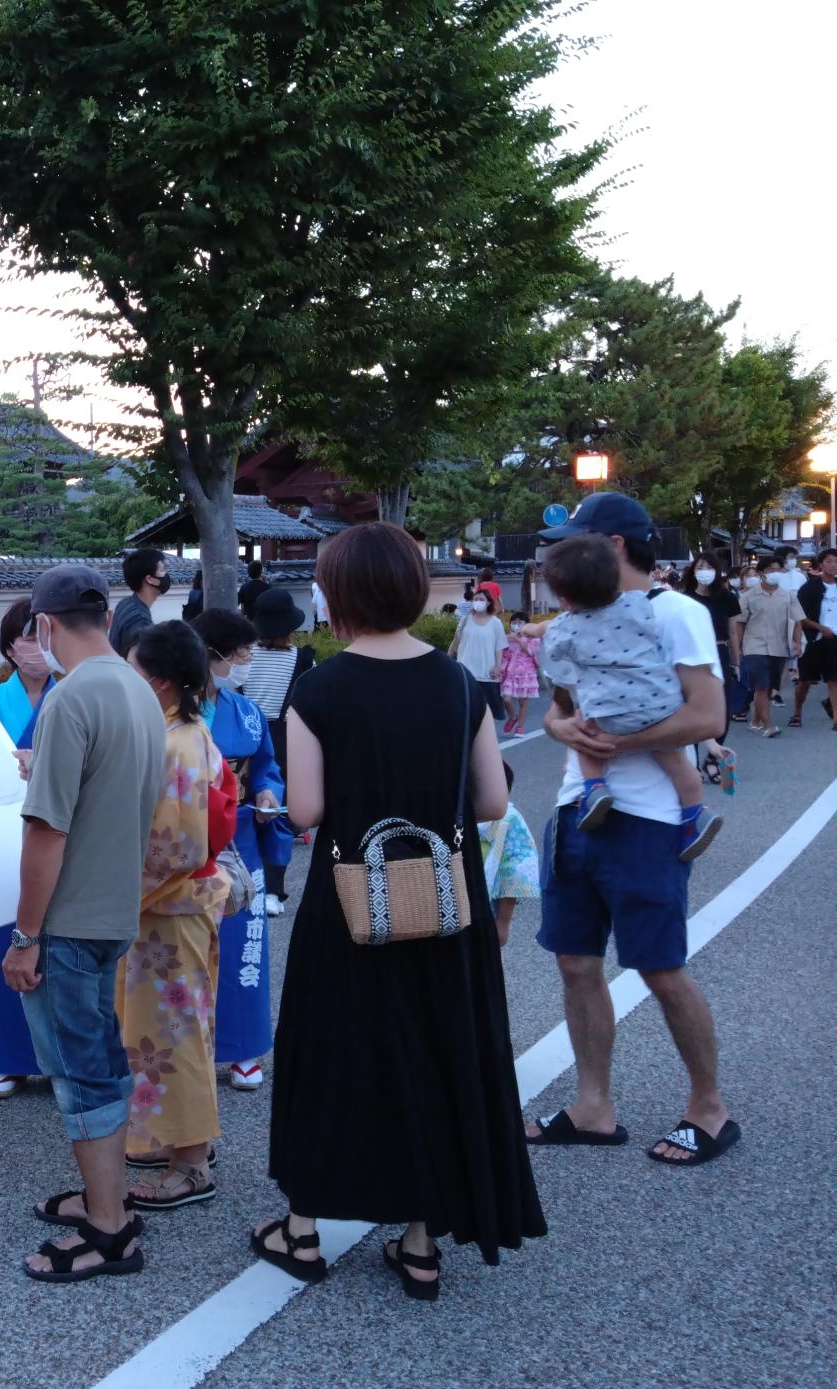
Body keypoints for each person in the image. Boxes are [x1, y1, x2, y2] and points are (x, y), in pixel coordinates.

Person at [255, 522, 542, 1299]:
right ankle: (420, 1242)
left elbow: (308, 811)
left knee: (334, 1054)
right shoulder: (457, 685)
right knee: (436, 1051)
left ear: (339, 593)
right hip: (446, 904)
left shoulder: (318, 689)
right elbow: (491, 801)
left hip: (350, 904)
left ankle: (304, 1227)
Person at [527, 493, 739, 1167]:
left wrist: (622, 742)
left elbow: (708, 717)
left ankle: (709, 1108)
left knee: (660, 968)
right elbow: (559, 711)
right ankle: (594, 1107)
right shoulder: (575, 616)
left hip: (646, 819)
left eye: (576, 541)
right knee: (576, 962)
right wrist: (563, 728)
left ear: (613, 545)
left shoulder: (677, 612)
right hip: (576, 808)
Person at [3, 564, 164, 1283]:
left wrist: (24, 936)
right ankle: (107, 1196)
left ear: (44, 624)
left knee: (80, 1072)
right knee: (98, 1054)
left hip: (66, 918)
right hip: (114, 908)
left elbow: (47, 833)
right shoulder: (136, 687)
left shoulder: (70, 699)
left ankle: (109, 1230)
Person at [116, 621, 233, 1211]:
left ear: (158, 681)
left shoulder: (173, 744)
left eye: (133, 669)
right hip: (171, 907)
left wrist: (109, 892)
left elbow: (172, 850)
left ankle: (191, 1163)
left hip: (166, 905)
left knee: (175, 1034)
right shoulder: (185, 731)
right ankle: (174, 1142)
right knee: (162, 1031)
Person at [538, 534, 722, 861]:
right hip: (658, 705)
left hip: (609, 716)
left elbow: (709, 718)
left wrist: (535, 633)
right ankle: (696, 813)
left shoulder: (565, 629)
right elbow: (556, 715)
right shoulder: (642, 605)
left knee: (588, 740)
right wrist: (555, 726)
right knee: (678, 764)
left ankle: (594, 791)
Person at [189, 607, 285, 1091]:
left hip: (240, 838)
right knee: (179, 949)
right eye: (242, 653)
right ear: (213, 655)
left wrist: (269, 792)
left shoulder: (245, 711)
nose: (247, 661)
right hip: (182, 842)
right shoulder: (167, 709)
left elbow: (267, 765)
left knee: (243, 947)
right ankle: (186, 1047)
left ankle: (242, 1048)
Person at [0, 599, 51, 1098]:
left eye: (40, 637)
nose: (35, 650)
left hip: (58, 828)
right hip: (4, 831)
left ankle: (62, 1056)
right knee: (6, 937)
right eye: (25, 640)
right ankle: (9, 1059)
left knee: (63, 944)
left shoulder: (74, 695)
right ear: (9, 648)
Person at [241, 589, 312, 915]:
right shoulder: (303, 659)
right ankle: (274, 890)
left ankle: (241, 883)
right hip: (284, 739)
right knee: (277, 814)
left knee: (242, 812)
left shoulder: (243, 657)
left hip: (244, 737)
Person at [734, 555, 803, 738]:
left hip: (780, 647)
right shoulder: (748, 596)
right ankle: (768, 725)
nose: (775, 574)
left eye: (778, 570)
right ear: (761, 573)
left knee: (770, 687)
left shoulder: (788, 596)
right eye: (771, 570)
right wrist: (738, 647)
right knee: (761, 686)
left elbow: (798, 621)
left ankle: (756, 720)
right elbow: (739, 623)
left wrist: (796, 642)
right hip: (754, 646)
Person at [481, 760, 540, 946]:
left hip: (485, 912)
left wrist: (503, 921)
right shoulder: (454, 816)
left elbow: (516, 869)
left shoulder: (508, 820)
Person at [681, 551, 744, 724]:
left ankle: (717, 746)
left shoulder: (728, 598)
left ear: (717, 571)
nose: (705, 571)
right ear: (693, 571)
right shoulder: (684, 598)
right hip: (692, 653)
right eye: (700, 567)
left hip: (719, 650)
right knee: (693, 700)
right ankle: (693, 745)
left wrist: (736, 662)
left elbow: (732, 632)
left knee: (722, 702)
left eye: (709, 567)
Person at [788, 547, 837, 729]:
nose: (834, 565)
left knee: (834, 679)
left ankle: (836, 720)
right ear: (821, 564)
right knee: (806, 680)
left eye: (836, 561)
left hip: (834, 640)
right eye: (830, 561)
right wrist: (820, 628)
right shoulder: (810, 588)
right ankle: (796, 713)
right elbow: (800, 616)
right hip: (814, 639)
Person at [451, 587, 507, 720]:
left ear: (488, 603)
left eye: (481, 599)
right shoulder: (465, 619)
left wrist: (498, 666)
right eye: (475, 599)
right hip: (465, 671)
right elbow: (456, 640)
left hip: (486, 673)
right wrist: (448, 658)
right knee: (466, 710)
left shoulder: (496, 623)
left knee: (487, 713)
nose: (477, 602)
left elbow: (499, 647)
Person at [111, 549, 169, 657]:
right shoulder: (140, 620)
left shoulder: (125, 603)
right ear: (150, 579)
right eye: (162, 570)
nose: (166, 574)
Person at [498, 610, 542, 737]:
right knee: (506, 699)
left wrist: (518, 639)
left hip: (525, 674)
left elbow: (530, 652)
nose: (516, 624)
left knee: (523, 702)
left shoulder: (533, 639)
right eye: (514, 622)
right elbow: (502, 654)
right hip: (509, 673)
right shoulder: (507, 638)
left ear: (527, 624)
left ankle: (520, 727)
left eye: (520, 622)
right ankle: (512, 717)